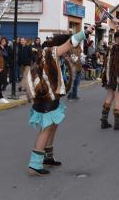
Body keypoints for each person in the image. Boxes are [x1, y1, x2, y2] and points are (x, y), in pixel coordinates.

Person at [22, 26, 93, 175]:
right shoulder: (51, 52)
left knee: (52, 127)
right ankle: (34, 165)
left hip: (51, 98)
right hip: (46, 98)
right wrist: (85, 32)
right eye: (69, 48)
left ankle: (47, 157)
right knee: (46, 129)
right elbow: (70, 42)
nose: (70, 51)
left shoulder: (51, 55)